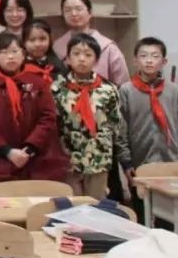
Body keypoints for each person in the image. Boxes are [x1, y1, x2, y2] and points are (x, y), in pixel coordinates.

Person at [0, 32, 68, 185]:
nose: (10, 57)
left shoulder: (38, 83)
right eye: (4, 52)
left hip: (37, 158)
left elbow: (48, 117)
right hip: (0, 159)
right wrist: (8, 152)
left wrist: (29, 149)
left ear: (23, 54)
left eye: (14, 51)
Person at [119, 37, 178, 215]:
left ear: (164, 61)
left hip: (171, 162)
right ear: (135, 60)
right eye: (144, 56)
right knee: (142, 210)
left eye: (155, 56)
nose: (149, 60)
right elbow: (121, 131)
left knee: (169, 213)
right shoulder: (126, 90)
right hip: (140, 163)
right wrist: (126, 162)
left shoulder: (174, 91)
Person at [51, 33, 130, 199]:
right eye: (76, 54)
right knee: (71, 206)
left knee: (96, 206)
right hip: (68, 158)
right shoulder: (57, 89)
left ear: (96, 60)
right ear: (68, 58)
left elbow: (116, 124)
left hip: (98, 158)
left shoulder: (108, 89)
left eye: (88, 55)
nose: (82, 59)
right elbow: (53, 124)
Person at [53, 0, 130, 86]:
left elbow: (123, 84)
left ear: (90, 12)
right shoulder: (57, 47)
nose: (73, 13)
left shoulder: (108, 47)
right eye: (67, 10)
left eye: (78, 9)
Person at [21, 20, 67, 85]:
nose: (37, 44)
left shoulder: (57, 66)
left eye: (42, 39)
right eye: (32, 40)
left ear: (50, 40)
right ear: (23, 42)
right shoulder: (19, 66)